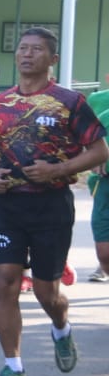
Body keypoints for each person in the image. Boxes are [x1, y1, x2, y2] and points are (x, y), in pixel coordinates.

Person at [0, 27, 107, 376]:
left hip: (51, 205)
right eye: (22, 48)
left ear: (53, 59)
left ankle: (61, 328)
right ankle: (13, 366)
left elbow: (99, 151)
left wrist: (59, 170)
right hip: (8, 205)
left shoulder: (69, 102)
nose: (26, 54)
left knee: (47, 292)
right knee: (6, 282)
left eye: (36, 50)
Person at [86, 78, 109, 283]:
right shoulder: (103, 116)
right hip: (104, 183)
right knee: (104, 253)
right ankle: (102, 266)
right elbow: (89, 144)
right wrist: (95, 158)